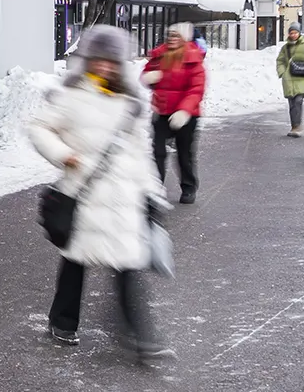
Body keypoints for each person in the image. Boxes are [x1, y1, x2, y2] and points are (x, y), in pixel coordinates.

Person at [30, 25, 172, 360]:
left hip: (122, 198)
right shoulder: (71, 95)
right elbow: (39, 127)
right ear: (88, 59)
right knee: (76, 261)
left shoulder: (129, 104)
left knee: (126, 266)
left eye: (112, 61)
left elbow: (141, 153)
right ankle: (62, 322)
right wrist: (64, 154)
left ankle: (142, 338)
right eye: (99, 59)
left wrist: (152, 192)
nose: (105, 66)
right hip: (84, 195)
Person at [142, 21, 206, 204]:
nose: (172, 38)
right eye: (169, 35)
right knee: (158, 152)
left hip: (187, 116)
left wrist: (184, 112)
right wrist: (149, 78)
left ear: (184, 38)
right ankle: (155, 188)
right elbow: (146, 73)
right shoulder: (160, 55)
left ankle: (188, 188)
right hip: (162, 112)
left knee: (184, 154)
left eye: (176, 35)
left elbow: (196, 89)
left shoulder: (194, 60)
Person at [275, 21, 304, 138]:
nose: (293, 35)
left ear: (299, 33)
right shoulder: (286, 47)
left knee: (298, 101)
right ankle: (294, 125)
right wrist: (282, 72)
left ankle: (297, 126)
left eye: (295, 32)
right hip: (289, 79)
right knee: (291, 104)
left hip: (302, 78)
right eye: (291, 33)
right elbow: (280, 60)